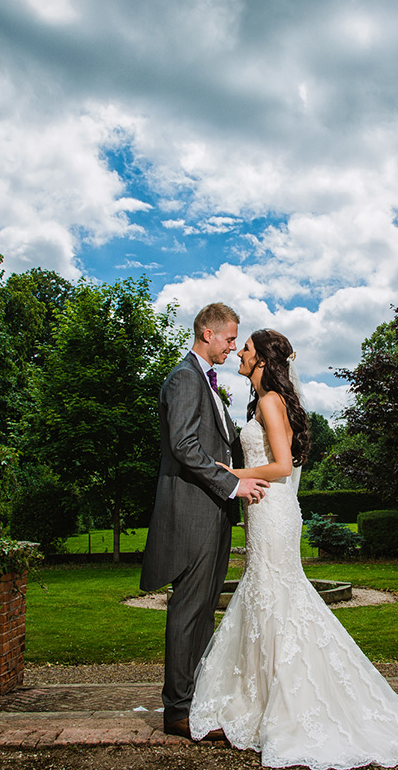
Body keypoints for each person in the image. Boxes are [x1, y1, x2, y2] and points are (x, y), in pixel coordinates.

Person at [190, 328, 398, 769]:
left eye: (247, 348)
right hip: (265, 510)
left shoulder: (271, 401)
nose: (239, 352)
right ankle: (264, 697)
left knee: (277, 595)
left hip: (273, 510)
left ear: (262, 360)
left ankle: (293, 704)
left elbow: (282, 466)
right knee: (269, 596)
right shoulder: (263, 401)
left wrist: (231, 473)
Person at [140, 303, 271, 741]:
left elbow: (221, 445)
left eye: (236, 341)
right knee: (188, 611)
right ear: (207, 333)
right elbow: (183, 444)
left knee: (202, 612)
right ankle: (177, 711)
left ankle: (196, 700)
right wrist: (233, 485)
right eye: (230, 338)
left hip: (213, 514)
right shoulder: (184, 378)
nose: (233, 346)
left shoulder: (207, 381)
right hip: (192, 514)